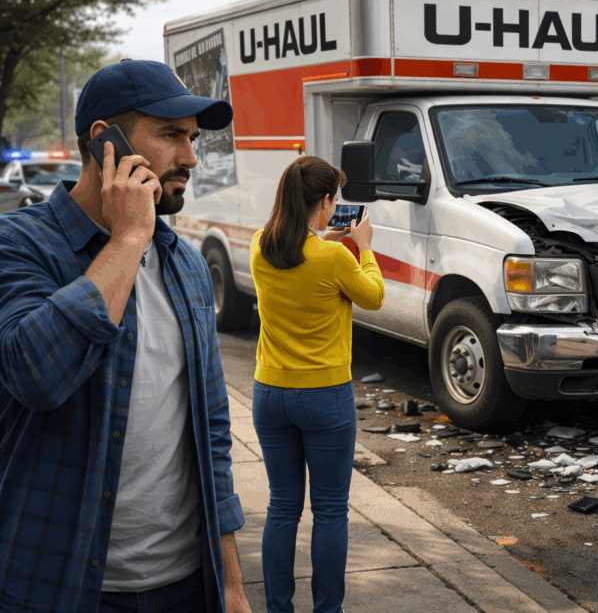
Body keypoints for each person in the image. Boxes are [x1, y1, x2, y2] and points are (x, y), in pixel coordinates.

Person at [0, 59, 252, 613]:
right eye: (169, 135)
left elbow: (210, 434)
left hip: (186, 585)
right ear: (103, 142)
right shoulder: (19, 246)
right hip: (59, 585)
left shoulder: (185, 264)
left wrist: (232, 586)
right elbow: (35, 375)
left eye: (192, 139)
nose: (189, 157)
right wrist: (129, 236)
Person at [250, 155, 384, 613]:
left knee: (282, 508)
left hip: (269, 394)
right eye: (333, 201)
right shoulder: (333, 259)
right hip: (325, 397)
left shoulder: (260, 246)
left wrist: (324, 239)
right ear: (324, 202)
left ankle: (278, 608)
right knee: (329, 512)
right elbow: (374, 296)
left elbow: (299, 257)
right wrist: (362, 246)